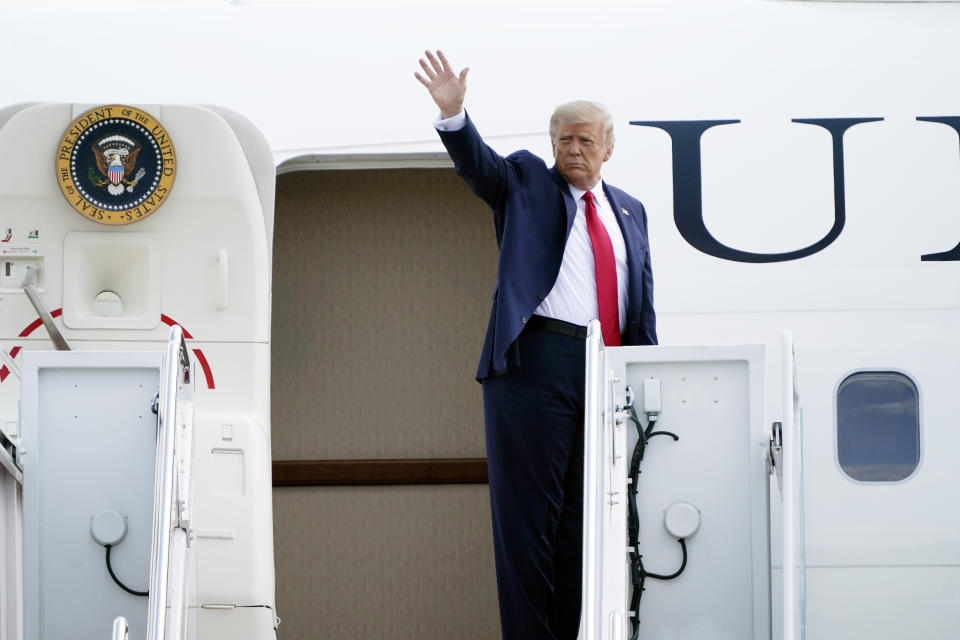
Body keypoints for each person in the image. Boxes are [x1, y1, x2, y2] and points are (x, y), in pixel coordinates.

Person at [416, 50, 657, 640]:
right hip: (537, 362)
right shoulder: (525, 181)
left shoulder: (630, 210)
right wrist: (455, 115)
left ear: (608, 149)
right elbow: (481, 169)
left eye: (585, 140)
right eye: (564, 139)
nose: (573, 149)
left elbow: (640, 303)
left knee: (584, 524)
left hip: (605, 370)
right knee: (530, 524)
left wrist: (647, 375)